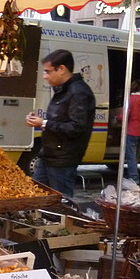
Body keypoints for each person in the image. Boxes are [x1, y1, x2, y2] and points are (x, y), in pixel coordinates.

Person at [25, 49, 96, 199]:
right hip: (49, 155)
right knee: (35, 195)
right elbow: (61, 120)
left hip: (63, 158)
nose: (45, 76)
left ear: (61, 69)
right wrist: (42, 122)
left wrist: (44, 123)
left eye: (48, 71)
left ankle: (64, 221)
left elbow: (76, 127)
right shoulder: (64, 90)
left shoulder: (78, 92)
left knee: (62, 201)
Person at [117, 80, 140, 183]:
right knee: (135, 156)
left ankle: (134, 178)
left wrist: (117, 118)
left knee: (131, 157)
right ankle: (133, 174)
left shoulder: (131, 100)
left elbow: (125, 116)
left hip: (131, 131)